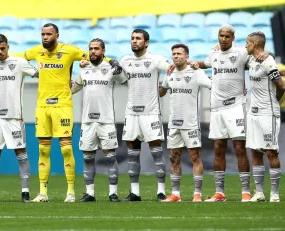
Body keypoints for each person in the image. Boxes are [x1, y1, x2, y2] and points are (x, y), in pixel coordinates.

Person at [0, 23, 120, 202]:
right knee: (43, 150)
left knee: (67, 149)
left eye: (48, 34)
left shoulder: (70, 51)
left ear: (57, 35)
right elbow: (13, 56)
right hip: (42, 107)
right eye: (43, 34)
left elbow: (94, 55)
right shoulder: (37, 51)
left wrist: (112, 61)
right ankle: (43, 193)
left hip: (63, 105)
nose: (45, 37)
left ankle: (70, 192)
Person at [189, 25, 270, 202]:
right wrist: (194, 64)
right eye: (221, 35)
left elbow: (260, 54)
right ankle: (219, 192)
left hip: (236, 106)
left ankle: (246, 192)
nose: (223, 39)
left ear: (233, 37)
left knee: (240, 149)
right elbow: (206, 63)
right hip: (217, 108)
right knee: (218, 149)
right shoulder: (214, 53)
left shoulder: (241, 53)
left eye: (227, 36)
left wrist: (268, 53)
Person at [0, 34, 37, 203]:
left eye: (2, 48)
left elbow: (40, 74)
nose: (0, 52)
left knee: (21, 154)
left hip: (14, 117)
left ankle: (25, 193)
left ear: (8, 47)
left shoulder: (19, 63)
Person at [116, 29, 169, 202]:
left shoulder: (155, 59)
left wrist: (164, 87)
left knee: (156, 153)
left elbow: (172, 70)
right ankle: (135, 193)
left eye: (138, 38)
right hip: (131, 113)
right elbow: (119, 78)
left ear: (146, 42)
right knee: (132, 152)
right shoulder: (125, 60)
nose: (134, 41)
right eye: (132, 38)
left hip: (151, 112)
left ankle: (161, 191)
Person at [71, 38, 125, 202]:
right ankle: (90, 193)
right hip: (87, 121)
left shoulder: (110, 68)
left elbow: (123, 80)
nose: (93, 51)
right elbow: (73, 89)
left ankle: (113, 193)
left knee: (110, 157)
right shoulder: (84, 69)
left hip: (106, 120)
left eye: (96, 49)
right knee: (88, 157)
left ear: (103, 51)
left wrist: (116, 66)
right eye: (90, 49)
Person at [159, 44, 211, 202]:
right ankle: (175, 194)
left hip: (191, 123)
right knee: (174, 157)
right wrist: (157, 83)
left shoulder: (196, 72)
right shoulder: (170, 72)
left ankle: (197, 194)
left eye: (179, 54)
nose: (175, 56)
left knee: (195, 157)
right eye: (173, 54)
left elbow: (211, 85)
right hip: (174, 123)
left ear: (186, 56)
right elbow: (162, 92)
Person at [244, 31, 283, 202]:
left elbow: (281, 85)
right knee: (255, 151)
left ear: (255, 43)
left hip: (269, 113)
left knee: (271, 151)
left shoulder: (268, 61)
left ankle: (274, 194)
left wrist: (275, 100)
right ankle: (259, 193)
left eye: (247, 43)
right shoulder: (251, 60)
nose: (246, 46)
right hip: (253, 112)